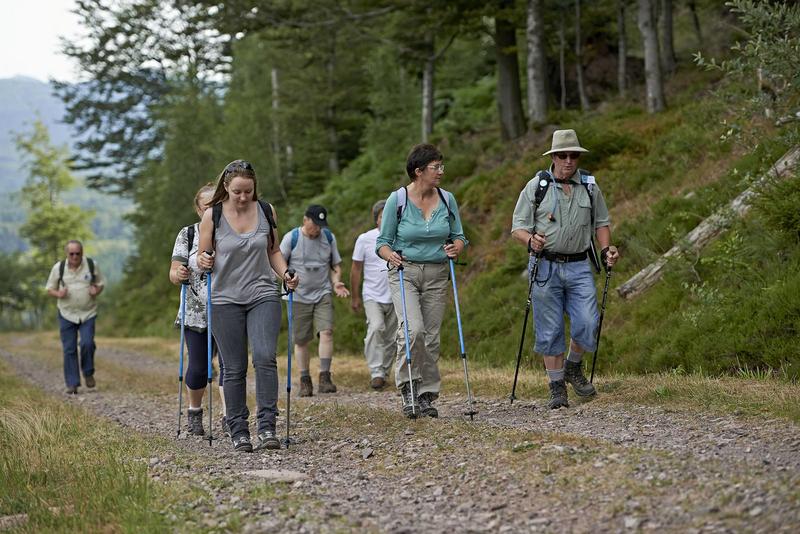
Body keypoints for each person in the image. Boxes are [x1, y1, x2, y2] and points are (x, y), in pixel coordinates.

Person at [511, 129, 620, 409]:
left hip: (580, 266)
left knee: (588, 322)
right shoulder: (537, 186)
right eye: (563, 155)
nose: (569, 160)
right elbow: (518, 227)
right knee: (550, 330)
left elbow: (601, 222)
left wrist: (606, 249)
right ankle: (556, 386)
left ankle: (573, 366)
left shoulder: (590, 186)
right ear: (553, 157)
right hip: (544, 266)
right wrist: (530, 240)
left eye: (574, 155)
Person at [197, 160, 298, 453]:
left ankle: (267, 427)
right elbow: (203, 256)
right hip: (224, 298)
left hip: (262, 293)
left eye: (248, 192)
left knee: (265, 357)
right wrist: (204, 260)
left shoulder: (266, 211)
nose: (243, 197)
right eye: (237, 192)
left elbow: (273, 251)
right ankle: (239, 430)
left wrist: (286, 273)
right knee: (234, 367)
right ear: (226, 188)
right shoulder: (212, 215)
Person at [376, 143, 468, 419]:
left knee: (431, 337)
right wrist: (390, 255)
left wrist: (456, 248)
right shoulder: (397, 200)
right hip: (405, 272)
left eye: (441, 166)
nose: (441, 171)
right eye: (435, 167)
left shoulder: (447, 199)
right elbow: (382, 243)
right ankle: (408, 387)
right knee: (413, 330)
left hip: (438, 274)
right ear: (418, 171)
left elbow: (459, 236)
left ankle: (427, 393)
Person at [168, 183, 228, 437]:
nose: (211, 211)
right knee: (199, 367)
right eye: (206, 207)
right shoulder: (188, 234)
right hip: (195, 312)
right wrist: (179, 274)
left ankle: (229, 416)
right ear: (198, 210)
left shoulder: (232, 231)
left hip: (229, 308)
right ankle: (194, 412)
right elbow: (173, 272)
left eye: (216, 206)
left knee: (229, 366)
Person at [280, 204, 349, 397]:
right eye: (315, 224)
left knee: (326, 332)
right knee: (301, 340)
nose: (318, 228)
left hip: (322, 292)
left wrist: (336, 282)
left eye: (321, 225)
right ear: (305, 220)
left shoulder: (328, 238)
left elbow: (335, 266)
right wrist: (286, 278)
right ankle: (305, 380)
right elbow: (279, 264)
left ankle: (325, 377)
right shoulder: (291, 238)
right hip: (297, 295)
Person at [45, 240, 105, 394]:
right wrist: (59, 294)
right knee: (69, 349)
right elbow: (49, 288)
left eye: (78, 253)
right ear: (67, 254)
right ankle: (72, 384)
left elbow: (100, 284)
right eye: (71, 254)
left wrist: (96, 291)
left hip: (88, 313)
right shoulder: (58, 268)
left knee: (87, 343)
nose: (75, 256)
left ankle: (88, 372)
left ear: (82, 253)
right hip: (66, 313)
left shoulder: (91, 265)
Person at [350, 200, 397, 390]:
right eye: (382, 217)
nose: (386, 220)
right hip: (372, 294)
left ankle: (385, 372)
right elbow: (356, 269)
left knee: (392, 336)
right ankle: (376, 372)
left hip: (395, 294)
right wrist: (355, 297)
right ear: (376, 219)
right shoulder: (364, 239)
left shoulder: (400, 237)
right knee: (376, 327)